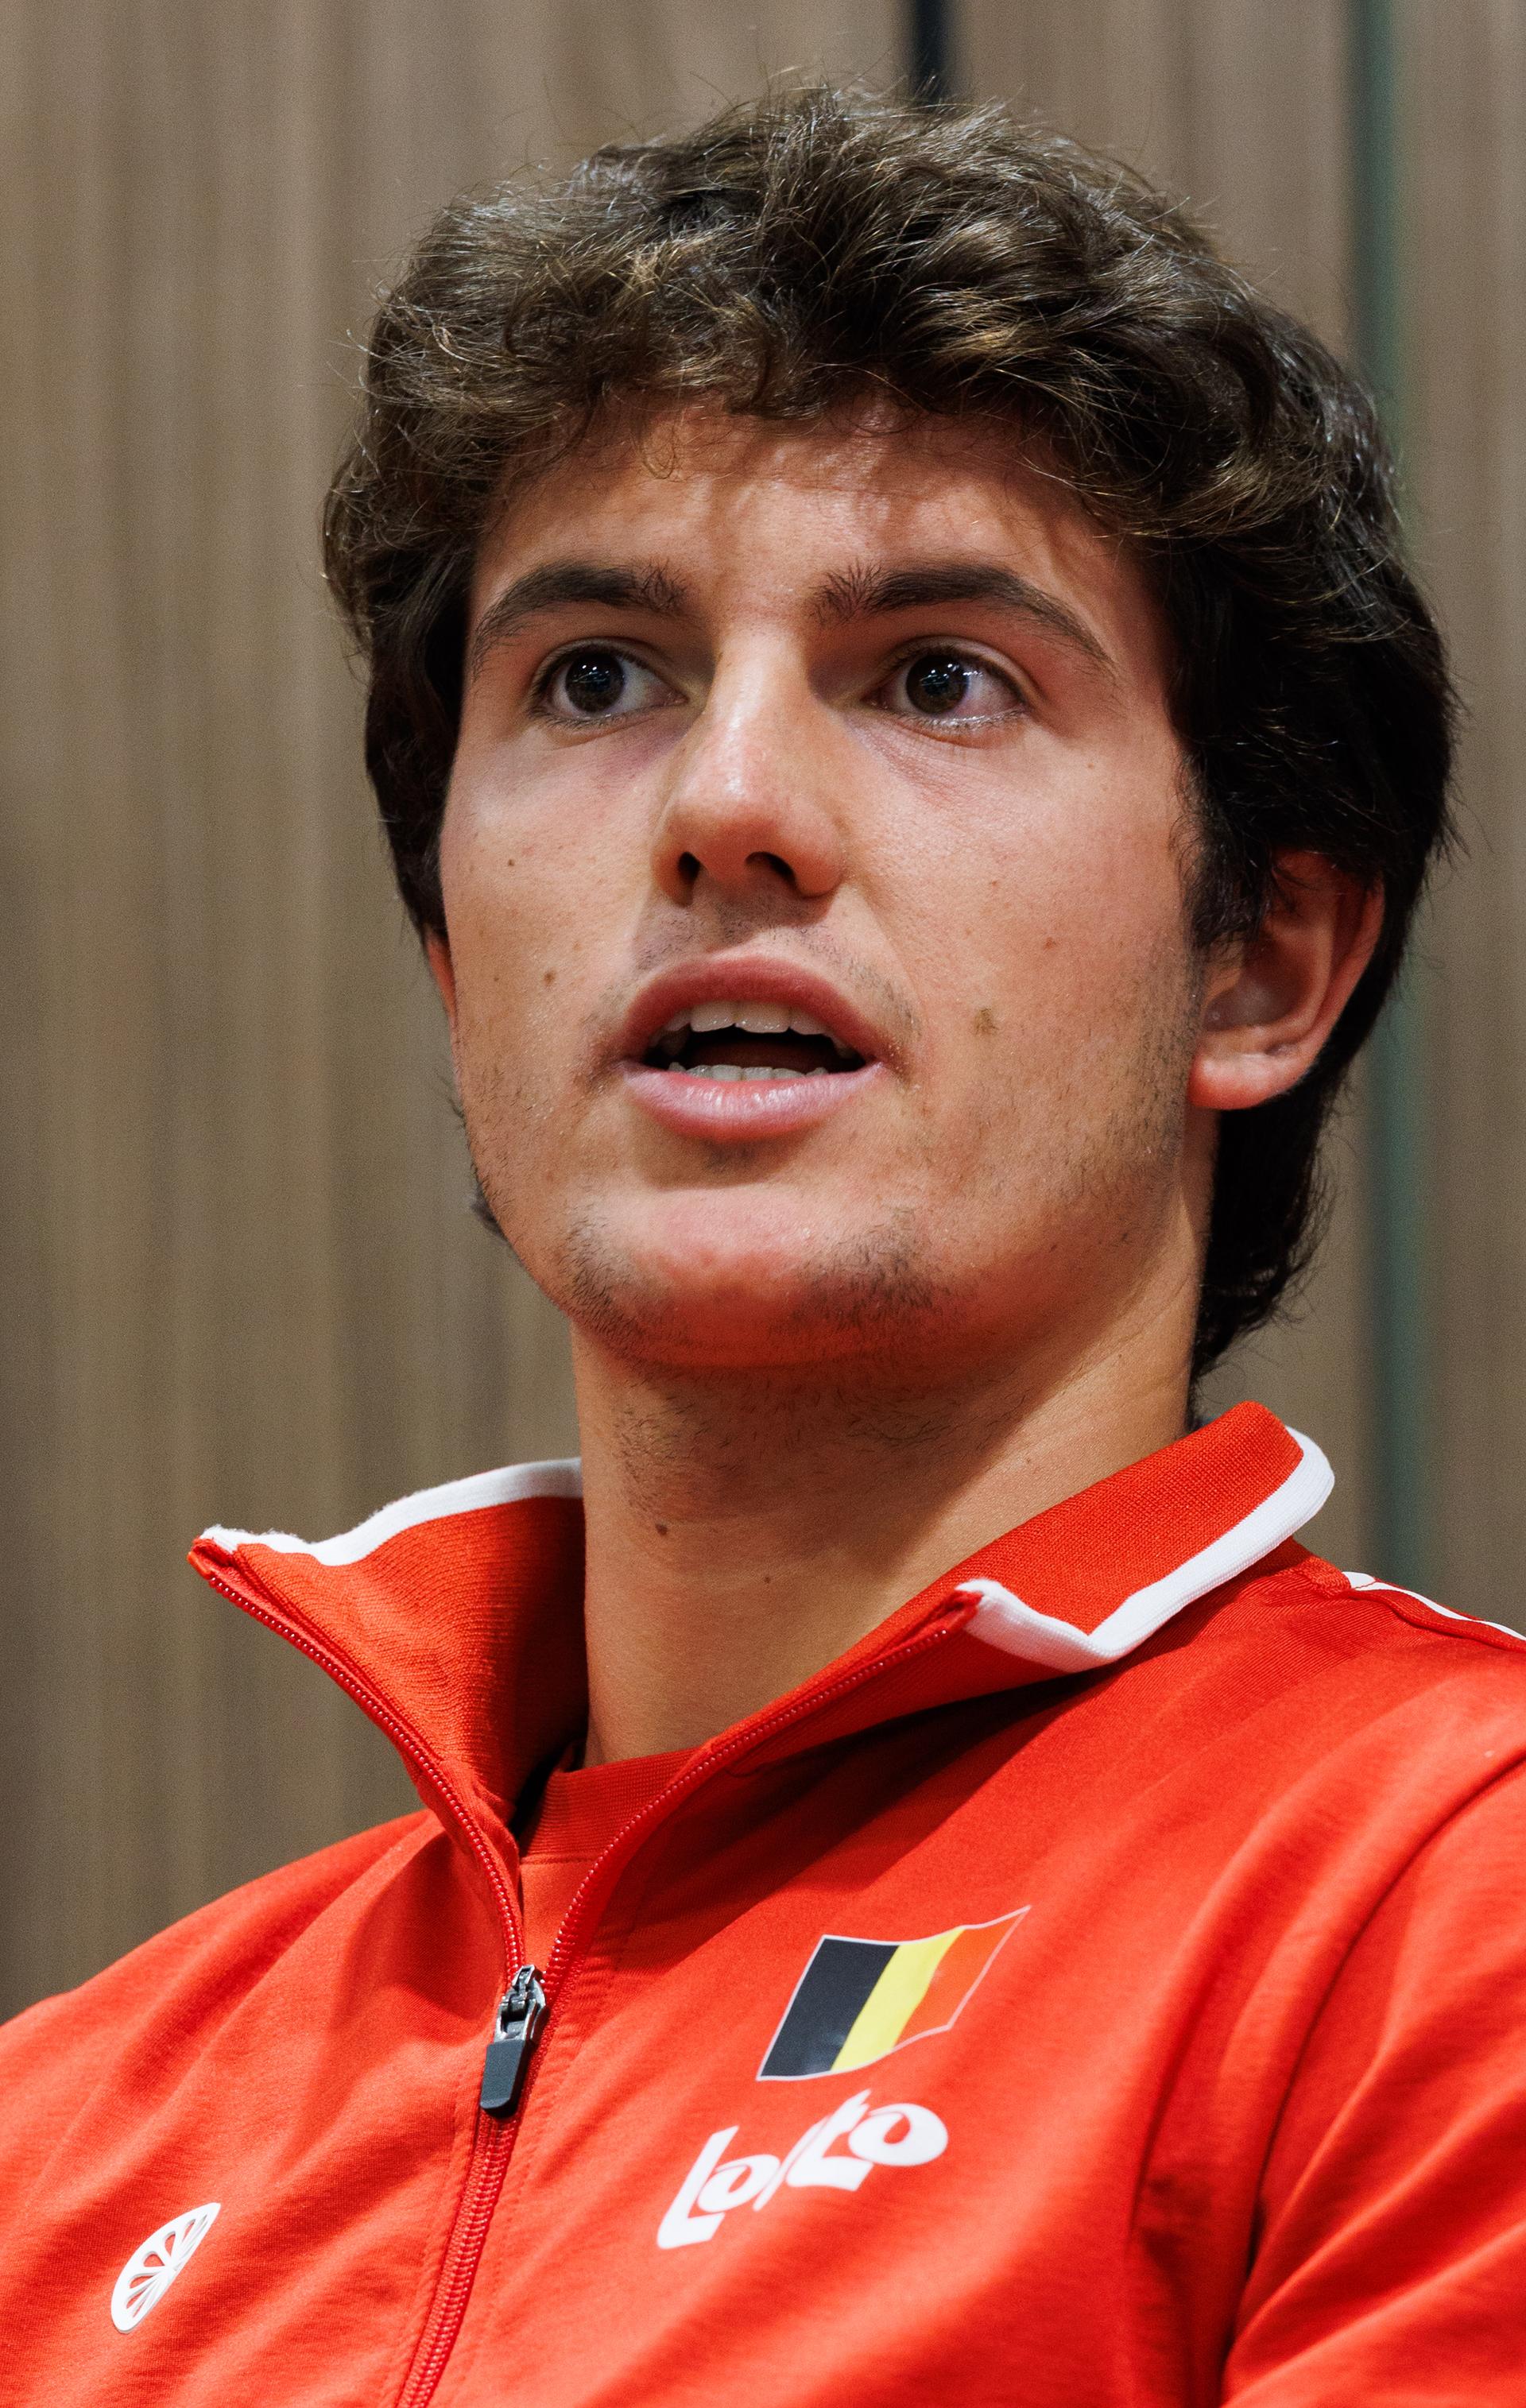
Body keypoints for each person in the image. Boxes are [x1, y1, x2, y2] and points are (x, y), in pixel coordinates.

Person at [4, 86, 1520, 2406]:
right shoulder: (60, 2133)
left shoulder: (1447, 1905)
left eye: (938, 674)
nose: (726, 810)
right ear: (447, 953)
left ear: (1261, 968)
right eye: (594, 675)